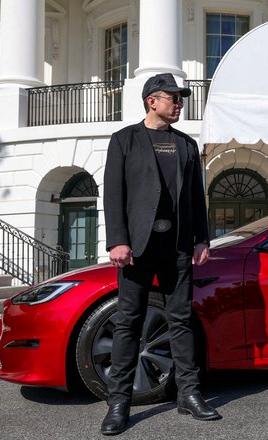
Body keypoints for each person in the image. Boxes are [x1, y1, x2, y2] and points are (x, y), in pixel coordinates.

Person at [101, 73, 220, 435]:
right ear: (152, 100)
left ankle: (188, 394)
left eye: (180, 98)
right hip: (137, 248)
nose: (180, 102)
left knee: (180, 320)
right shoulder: (124, 140)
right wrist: (117, 240)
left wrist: (202, 238)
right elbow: (113, 194)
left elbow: (197, 196)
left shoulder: (184, 144)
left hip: (179, 246)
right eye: (173, 97)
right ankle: (119, 401)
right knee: (128, 322)